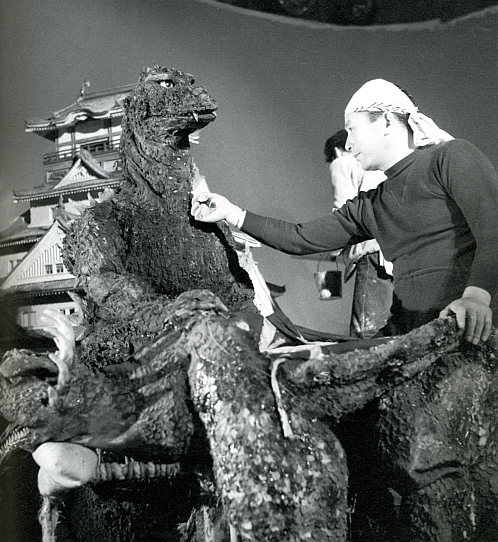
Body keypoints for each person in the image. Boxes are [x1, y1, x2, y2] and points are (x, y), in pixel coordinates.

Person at [192, 79, 498, 540]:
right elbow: (303, 238)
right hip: (409, 335)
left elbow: (494, 229)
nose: (348, 143)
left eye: (353, 129)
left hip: (468, 327)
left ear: (388, 122)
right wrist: (233, 214)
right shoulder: (373, 203)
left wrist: (477, 296)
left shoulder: (450, 159)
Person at [324, 129, 393, 338]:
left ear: (337, 150)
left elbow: (343, 211)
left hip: (372, 253)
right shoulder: (380, 163)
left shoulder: (342, 161)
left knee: (365, 333)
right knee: (392, 334)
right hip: (397, 255)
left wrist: (330, 246)